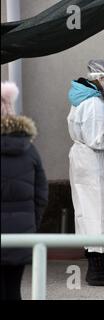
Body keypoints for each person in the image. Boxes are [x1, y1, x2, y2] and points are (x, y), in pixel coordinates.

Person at [67, 59, 104, 287]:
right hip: (93, 164)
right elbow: (98, 138)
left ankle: (95, 268)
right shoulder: (94, 105)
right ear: (99, 78)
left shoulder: (82, 99)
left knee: (87, 214)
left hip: (83, 162)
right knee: (99, 214)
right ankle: (98, 272)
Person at [1, 81, 48, 300]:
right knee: (13, 290)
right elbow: (41, 194)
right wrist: (30, 225)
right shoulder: (29, 149)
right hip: (20, 232)